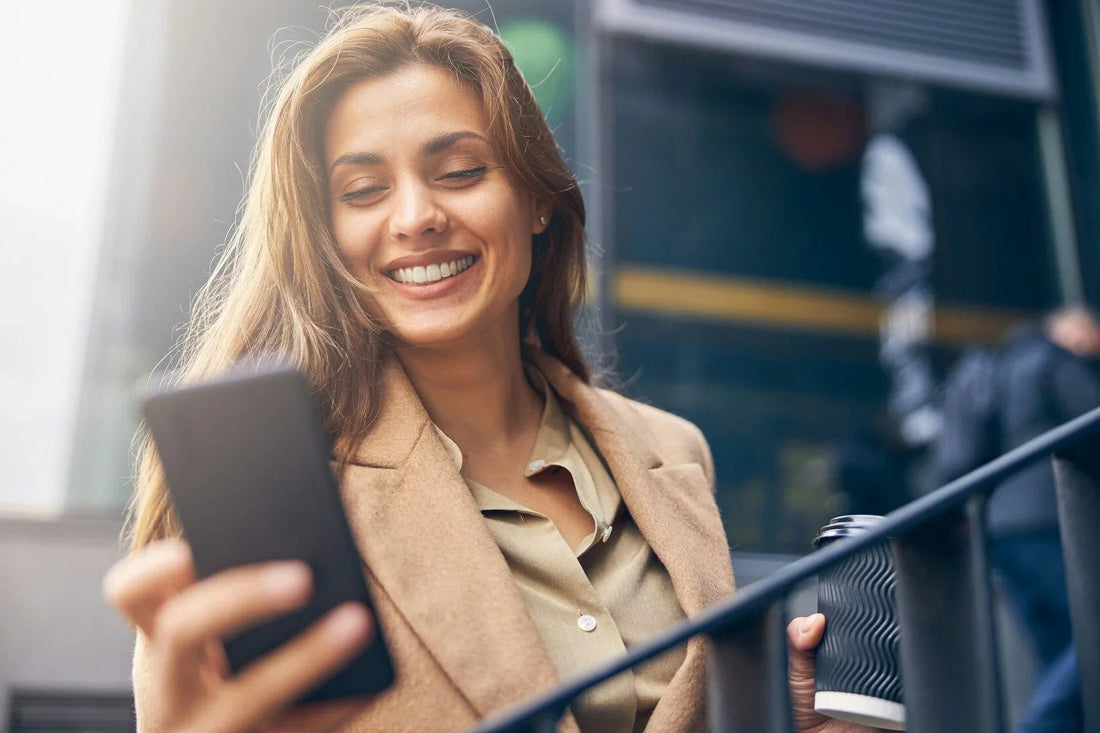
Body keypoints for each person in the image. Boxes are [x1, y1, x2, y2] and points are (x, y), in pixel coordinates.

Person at [101, 5, 862, 732]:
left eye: (461, 171)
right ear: (326, 237)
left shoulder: (672, 450)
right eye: (363, 190)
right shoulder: (272, 498)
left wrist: (771, 717)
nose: (415, 217)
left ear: (535, 197)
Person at [933, 306, 1099, 733]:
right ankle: (1038, 727)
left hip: (1001, 527)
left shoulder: (997, 367)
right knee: (1089, 632)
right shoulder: (1055, 362)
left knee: (1057, 647)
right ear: (1070, 328)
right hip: (1051, 518)